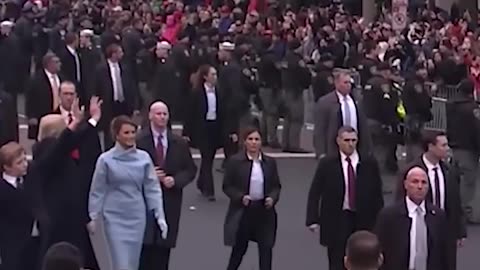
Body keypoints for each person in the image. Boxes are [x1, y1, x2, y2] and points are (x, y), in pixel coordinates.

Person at [88, 115, 168, 270]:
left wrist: (160, 216)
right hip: (114, 216)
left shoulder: (144, 158)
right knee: (121, 263)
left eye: (133, 132)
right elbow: (97, 190)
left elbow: (152, 188)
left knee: (132, 263)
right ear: (116, 135)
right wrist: (93, 215)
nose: (131, 136)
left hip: (136, 216)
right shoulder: (105, 160)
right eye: (126, 133)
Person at [306, 126, 383, 270]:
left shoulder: (368, 163)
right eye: (347, 140)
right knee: (336, 259)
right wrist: (312, 219)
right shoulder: (328, 163)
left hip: (363, 217)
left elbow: (377, 193)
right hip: (337, 217)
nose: (350, 144)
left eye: (354, 140)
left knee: (363, 257)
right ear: (338, 141)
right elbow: (316, 191)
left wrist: (380, 219)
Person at [137, 102, 197, 270]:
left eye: (165, 114)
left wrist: (176, 181)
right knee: (144, 248)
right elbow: (127, 169)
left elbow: (190, 169)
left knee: (163, 250)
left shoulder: (178, 142)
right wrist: (149, 176)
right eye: (158, 114)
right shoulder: (139, 140)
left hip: (169, 200)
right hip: (145, 202)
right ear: (150, 116)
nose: (162, 117)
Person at [395, 131, 466, 270]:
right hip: (420, 227)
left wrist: (460, 230)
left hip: (445, 229)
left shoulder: (449, 171)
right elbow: (399, 200)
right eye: (443, 145)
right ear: (430, 146)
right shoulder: (411, 170)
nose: (447, 149)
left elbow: (455, 202)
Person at [223, 126, 281, 270]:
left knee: (266, 249)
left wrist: (272, 198)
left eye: (257, 139)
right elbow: (227, 186)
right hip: (244, 211)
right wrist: (240, 197)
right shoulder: (235, 162)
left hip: (264, 212)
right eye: (250, 139)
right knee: (239, 248)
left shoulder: (269, 162)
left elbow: (276, 185)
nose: (254, 143)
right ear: (245, 142)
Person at [376, 167, 449, 270]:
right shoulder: (389, 216)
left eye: (424, 183)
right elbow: (380, 250)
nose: (420, 186)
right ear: (405, 184)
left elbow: (445, 253)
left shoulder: (438, 216)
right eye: (415, 182)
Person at [183, 64, 227, 201]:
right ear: (205, 77)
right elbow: (190, 114)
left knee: (209, 158)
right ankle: (209, 190)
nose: (215, 77)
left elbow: (223, 113)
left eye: (215, 74)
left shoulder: (219, 92)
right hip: (202, 129)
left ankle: (201, 182)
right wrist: (186, 132)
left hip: (214, 128)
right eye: (212, 74)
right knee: (207, 158)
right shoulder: (196, 93)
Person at [314, 69, 371, 159]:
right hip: (334, 148)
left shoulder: (357, 101)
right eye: (345, 82)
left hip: (355, 146)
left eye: (349, 83)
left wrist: (367, 148)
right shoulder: (325, 102)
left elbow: (363, 126)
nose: (348, 85)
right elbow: (320, 129)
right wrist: (321, 152)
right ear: (336, 83)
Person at [446, 78, 480, 224]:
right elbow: (476, 130)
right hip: (469, 148)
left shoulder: (450, 104)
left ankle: (453, 209)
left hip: (454, 146)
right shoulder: (471, 108)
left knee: (455, 180)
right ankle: (467, 213)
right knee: (468, 183)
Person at [94, 43, 140, 148]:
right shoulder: (100, 69)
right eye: (120, 52)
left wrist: (135, 103)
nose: (122, 54)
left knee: (125, 126)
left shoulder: (125, 67)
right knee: (109, 130)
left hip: (123, 103)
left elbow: (131, 86)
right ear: (113, 54)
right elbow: (97, 87)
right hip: (109, 104)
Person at [26, 52, 63, 140]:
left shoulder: (62, 78)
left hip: (59, 116)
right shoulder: (36, 80)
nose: (60, 64)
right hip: (42, 116)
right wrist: (31, 116)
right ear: (49, 64)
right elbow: (30, 99)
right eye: (57, 62)